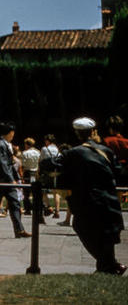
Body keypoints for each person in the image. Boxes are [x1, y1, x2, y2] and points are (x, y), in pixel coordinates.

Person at [56, 117, 125, 275]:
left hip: (87, 200)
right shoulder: (106, 150)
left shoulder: (72, 153)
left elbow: (64, 177)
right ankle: (108, 266)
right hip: (109, 199)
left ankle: (108, 265)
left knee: (80, 227)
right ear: (93, 131)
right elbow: (118, 172)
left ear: (77, 134)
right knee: (107, 235)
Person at [40, 134, 61, 218]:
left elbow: (41, 160)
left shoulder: (44, 149)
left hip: (47, 172)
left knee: (43, 191)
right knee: (56, 192)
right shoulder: (58, 150)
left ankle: (49, 206)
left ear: (48, 141)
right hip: (56, 172)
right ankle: (57, 211)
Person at [20, 138, 41, 218]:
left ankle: (27, 209)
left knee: (26, 192)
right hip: (35, 172)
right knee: (36, 192)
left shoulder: (25, 153)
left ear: (27, 144)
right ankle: (36, 207)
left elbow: (23, 164)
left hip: (27, 172)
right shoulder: (38, 152)